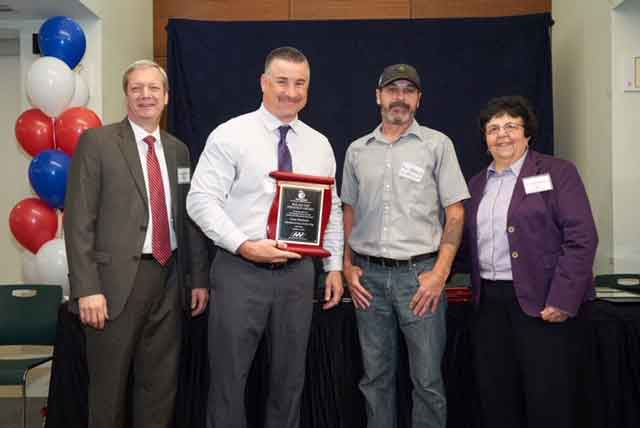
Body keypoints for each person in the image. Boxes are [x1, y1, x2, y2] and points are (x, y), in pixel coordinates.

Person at [186, 46, 344, 428]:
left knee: (289, 382)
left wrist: (334, 266)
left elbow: (331, 209)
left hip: (296, 277)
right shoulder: (231, 135)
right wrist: (244, 244)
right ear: (263, 83)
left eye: (300, 83)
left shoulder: (318, 144)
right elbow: (200, 200)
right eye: (282, 81)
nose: (291, 92)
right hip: (240, 272)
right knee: (228, 381)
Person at [64, 60, 210, 428]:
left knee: (159, 388)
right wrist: (87, 289)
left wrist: (198, 279)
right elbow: (79, 219)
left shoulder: (179, 151)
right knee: (108, 390)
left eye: (153, 89)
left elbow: (187, 219)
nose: (146, 95)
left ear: (166, 97)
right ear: (126, 94)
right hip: (112, 288)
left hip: (170, 279)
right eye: (137, 88)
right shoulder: (96, 142)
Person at [341, 64, 469, 428]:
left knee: (427, 382)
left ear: (419, 99)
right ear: (378, 96)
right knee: (374, 380)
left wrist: (440, 274)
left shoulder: (437, 145)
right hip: (368, 280)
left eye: (408, 91)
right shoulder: (356, 151)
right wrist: (348, 267)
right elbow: (348, 211)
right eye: (392, 90)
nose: (400, 97)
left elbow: (455, 213)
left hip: (421, 278)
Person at [465, 95, 598, 428]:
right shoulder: (476, 184)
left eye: (511, 125)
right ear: (484, 138)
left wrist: (563, 299)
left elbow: (581, 238)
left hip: (543, 304)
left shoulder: (557, 172)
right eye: (493, 128)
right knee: (496, 397)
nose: (502, 134)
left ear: (528, 134)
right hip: (490, 306)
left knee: (547, 399)